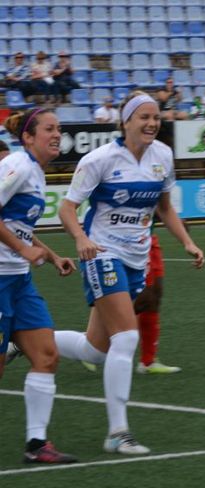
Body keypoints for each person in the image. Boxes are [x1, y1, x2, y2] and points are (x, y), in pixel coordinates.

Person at [55, 91, 205, 455]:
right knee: (126, 338)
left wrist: (187, 241)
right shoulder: (100, 159)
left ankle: (23, 337)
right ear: (126, 121)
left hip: (137, 258)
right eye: (144, 117)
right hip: (102, 253)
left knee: (96, 351)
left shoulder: (163, 156)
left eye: (156, 117)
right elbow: (67, 208)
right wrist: (80, 239)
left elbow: (164, 208)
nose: (152, 123)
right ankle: (118, 433)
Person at [0, 109, 79, 464]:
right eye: (49, 129)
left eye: (59, 129)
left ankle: (37, 445)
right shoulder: (16, 164)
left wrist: (51, 255)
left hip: (19, 281)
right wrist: (22, 249)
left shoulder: (35, 172)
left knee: (46, 355)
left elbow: (18, 228)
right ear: (28, 138)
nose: (57, 134)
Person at [133, 227, 182, 375]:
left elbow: (161, 207)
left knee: (155, 296)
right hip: (131, 238)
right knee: (142, 299)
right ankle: (91, 343)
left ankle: (148, 361)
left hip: (149, 237)